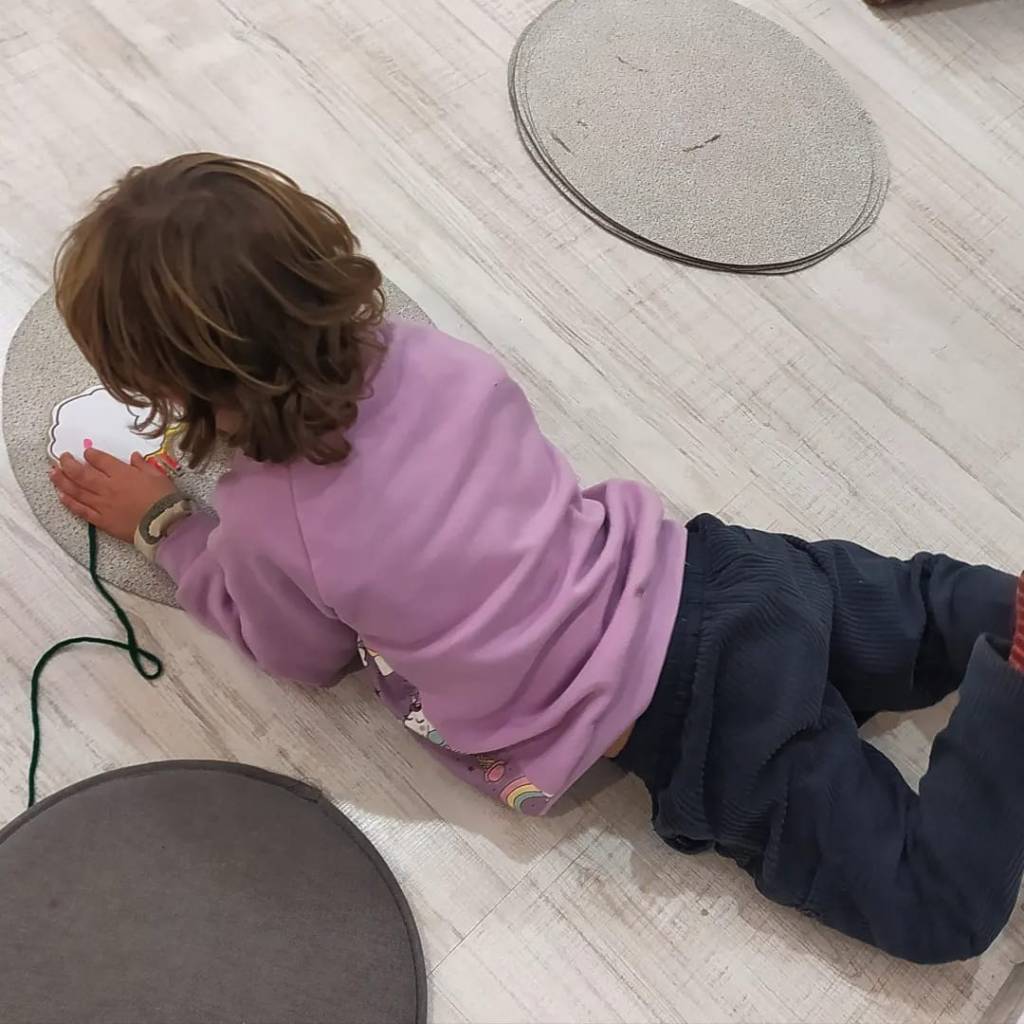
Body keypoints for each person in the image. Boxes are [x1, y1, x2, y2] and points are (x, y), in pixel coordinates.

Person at [49, 153, 1024, 965]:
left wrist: (169, 525)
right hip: (713, 571)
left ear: (179, 387)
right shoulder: (434, 357)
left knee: (931, 907)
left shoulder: (266, 520)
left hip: (695, 719)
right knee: (921, 609)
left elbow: (302, 655)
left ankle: (1010, 699)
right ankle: (999, 610)